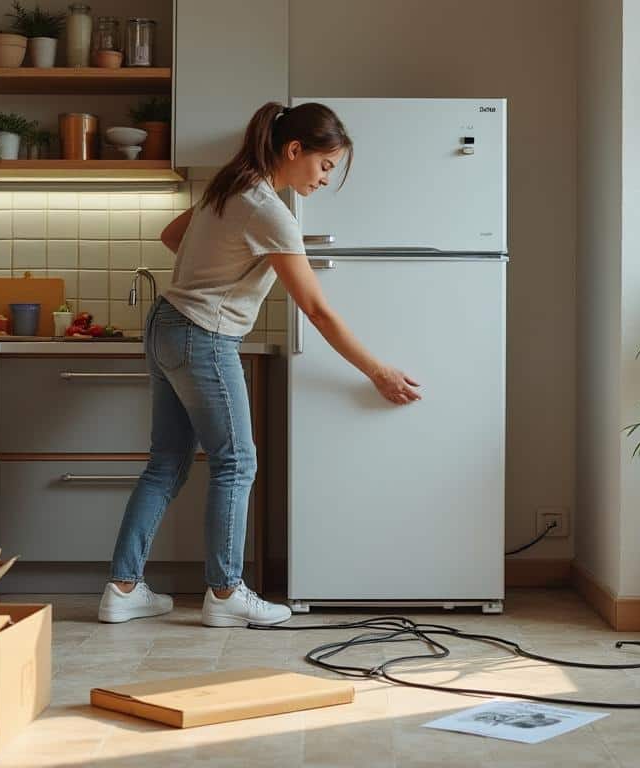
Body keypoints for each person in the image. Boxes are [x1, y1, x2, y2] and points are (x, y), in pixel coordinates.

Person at [98, 101, 422, 628]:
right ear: (294, 150)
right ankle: (226, 593)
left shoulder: (231, 185)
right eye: (324, 165)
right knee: (236, 462)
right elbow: (316, 309)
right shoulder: (269, 211)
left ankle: (122, 588)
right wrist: (378, 371)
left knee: (166, 463)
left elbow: (172, 236)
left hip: (167, 323)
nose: (325, 178)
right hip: (204, 335)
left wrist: (219, 267)